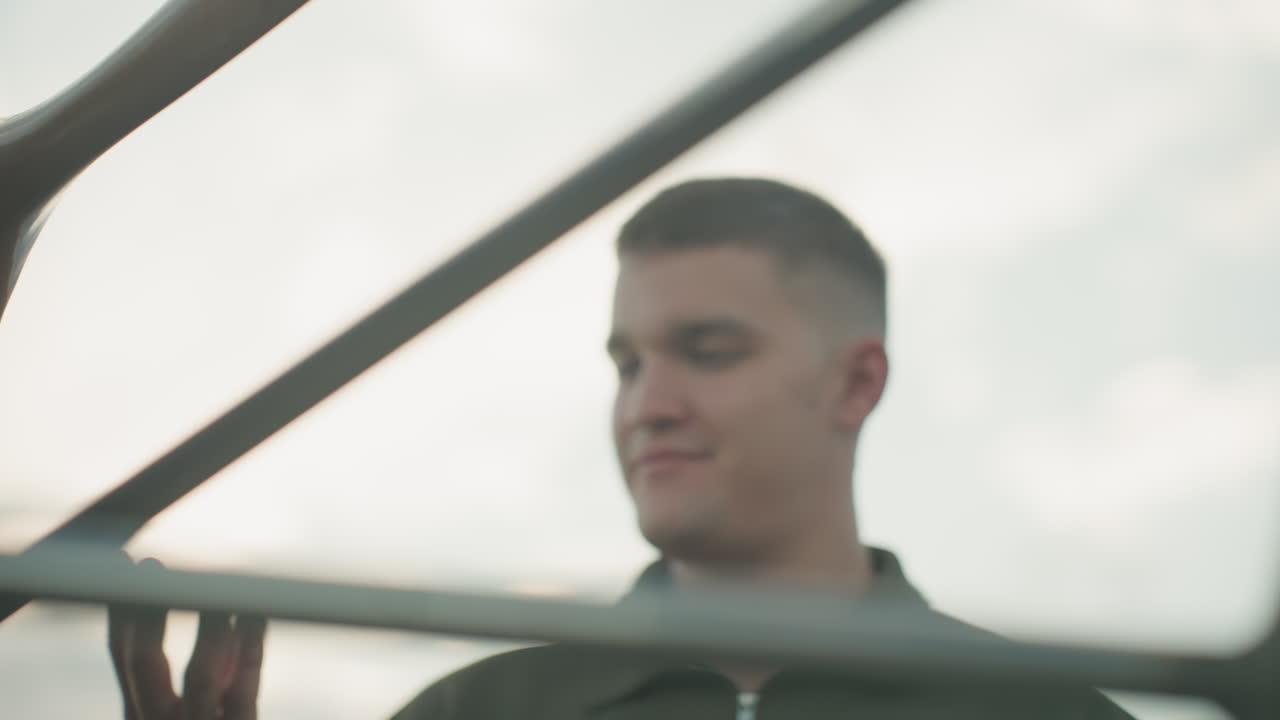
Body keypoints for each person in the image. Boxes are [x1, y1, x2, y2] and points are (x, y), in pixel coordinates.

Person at [108, 177, 1136, 719]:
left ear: (855, 381)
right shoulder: (475, 715)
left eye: (706, 351)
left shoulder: (1046, 715)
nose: (647, 403)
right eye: (626, 363)